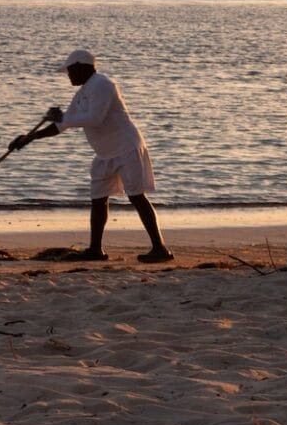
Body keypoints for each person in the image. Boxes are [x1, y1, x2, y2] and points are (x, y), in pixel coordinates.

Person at [10, 48, 173, 264]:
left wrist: (65, 117)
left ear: (80, 67)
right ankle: (95, 249)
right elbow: (62, 124)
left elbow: (95, 118)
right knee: (98, 199)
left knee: (136, 196)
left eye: (69, 71)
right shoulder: (81, 93)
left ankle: (160, 249)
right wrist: (29, 137)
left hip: (126, 147)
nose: (68, 75)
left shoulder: (103, 84)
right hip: (105, 153)